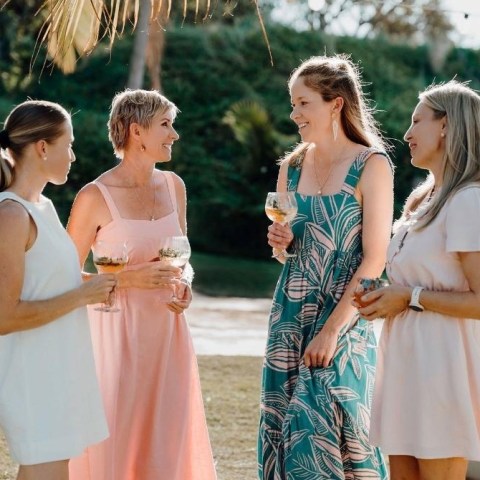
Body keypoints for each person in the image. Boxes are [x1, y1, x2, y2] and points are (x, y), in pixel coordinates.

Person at [66, 89, 217, 480]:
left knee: (168, 437)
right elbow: (61, 277)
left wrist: (185, 283)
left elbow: (182, 257)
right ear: (136, 131)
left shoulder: (174, 185)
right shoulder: (94, 196)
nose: (175, 134)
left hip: (169, 334)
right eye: (166, 124)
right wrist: (128, 279)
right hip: (116, 336)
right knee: (120, 434)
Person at [258, 55, 394, 479]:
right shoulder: (291, 167)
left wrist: (332, 330)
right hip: (290, 314)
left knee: (337, 425)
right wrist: (282, 243)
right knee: (286, 424)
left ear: (335, 104)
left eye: (303, 103)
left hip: (344, 317)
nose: (294, 113)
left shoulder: (371, 165)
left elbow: (375, 258)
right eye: (293, 103)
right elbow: (289, 253)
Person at [356, 80, 480, 480]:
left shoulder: (468, 201)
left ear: (446, 126)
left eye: (417, 121)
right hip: (404, 362)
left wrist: (408, 297)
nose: (407, 133)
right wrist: (381, 298)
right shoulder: (419, 202)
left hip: (441, 369)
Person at [0, 100, 117, 480]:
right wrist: (84, 295)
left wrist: (110, 284)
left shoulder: (44, 207)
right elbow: (5, 315)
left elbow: (53, 283)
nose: (74, 154)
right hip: (32, 374)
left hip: (60, 366)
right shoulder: (11, 215)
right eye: (68, 143)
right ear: (43, 147)